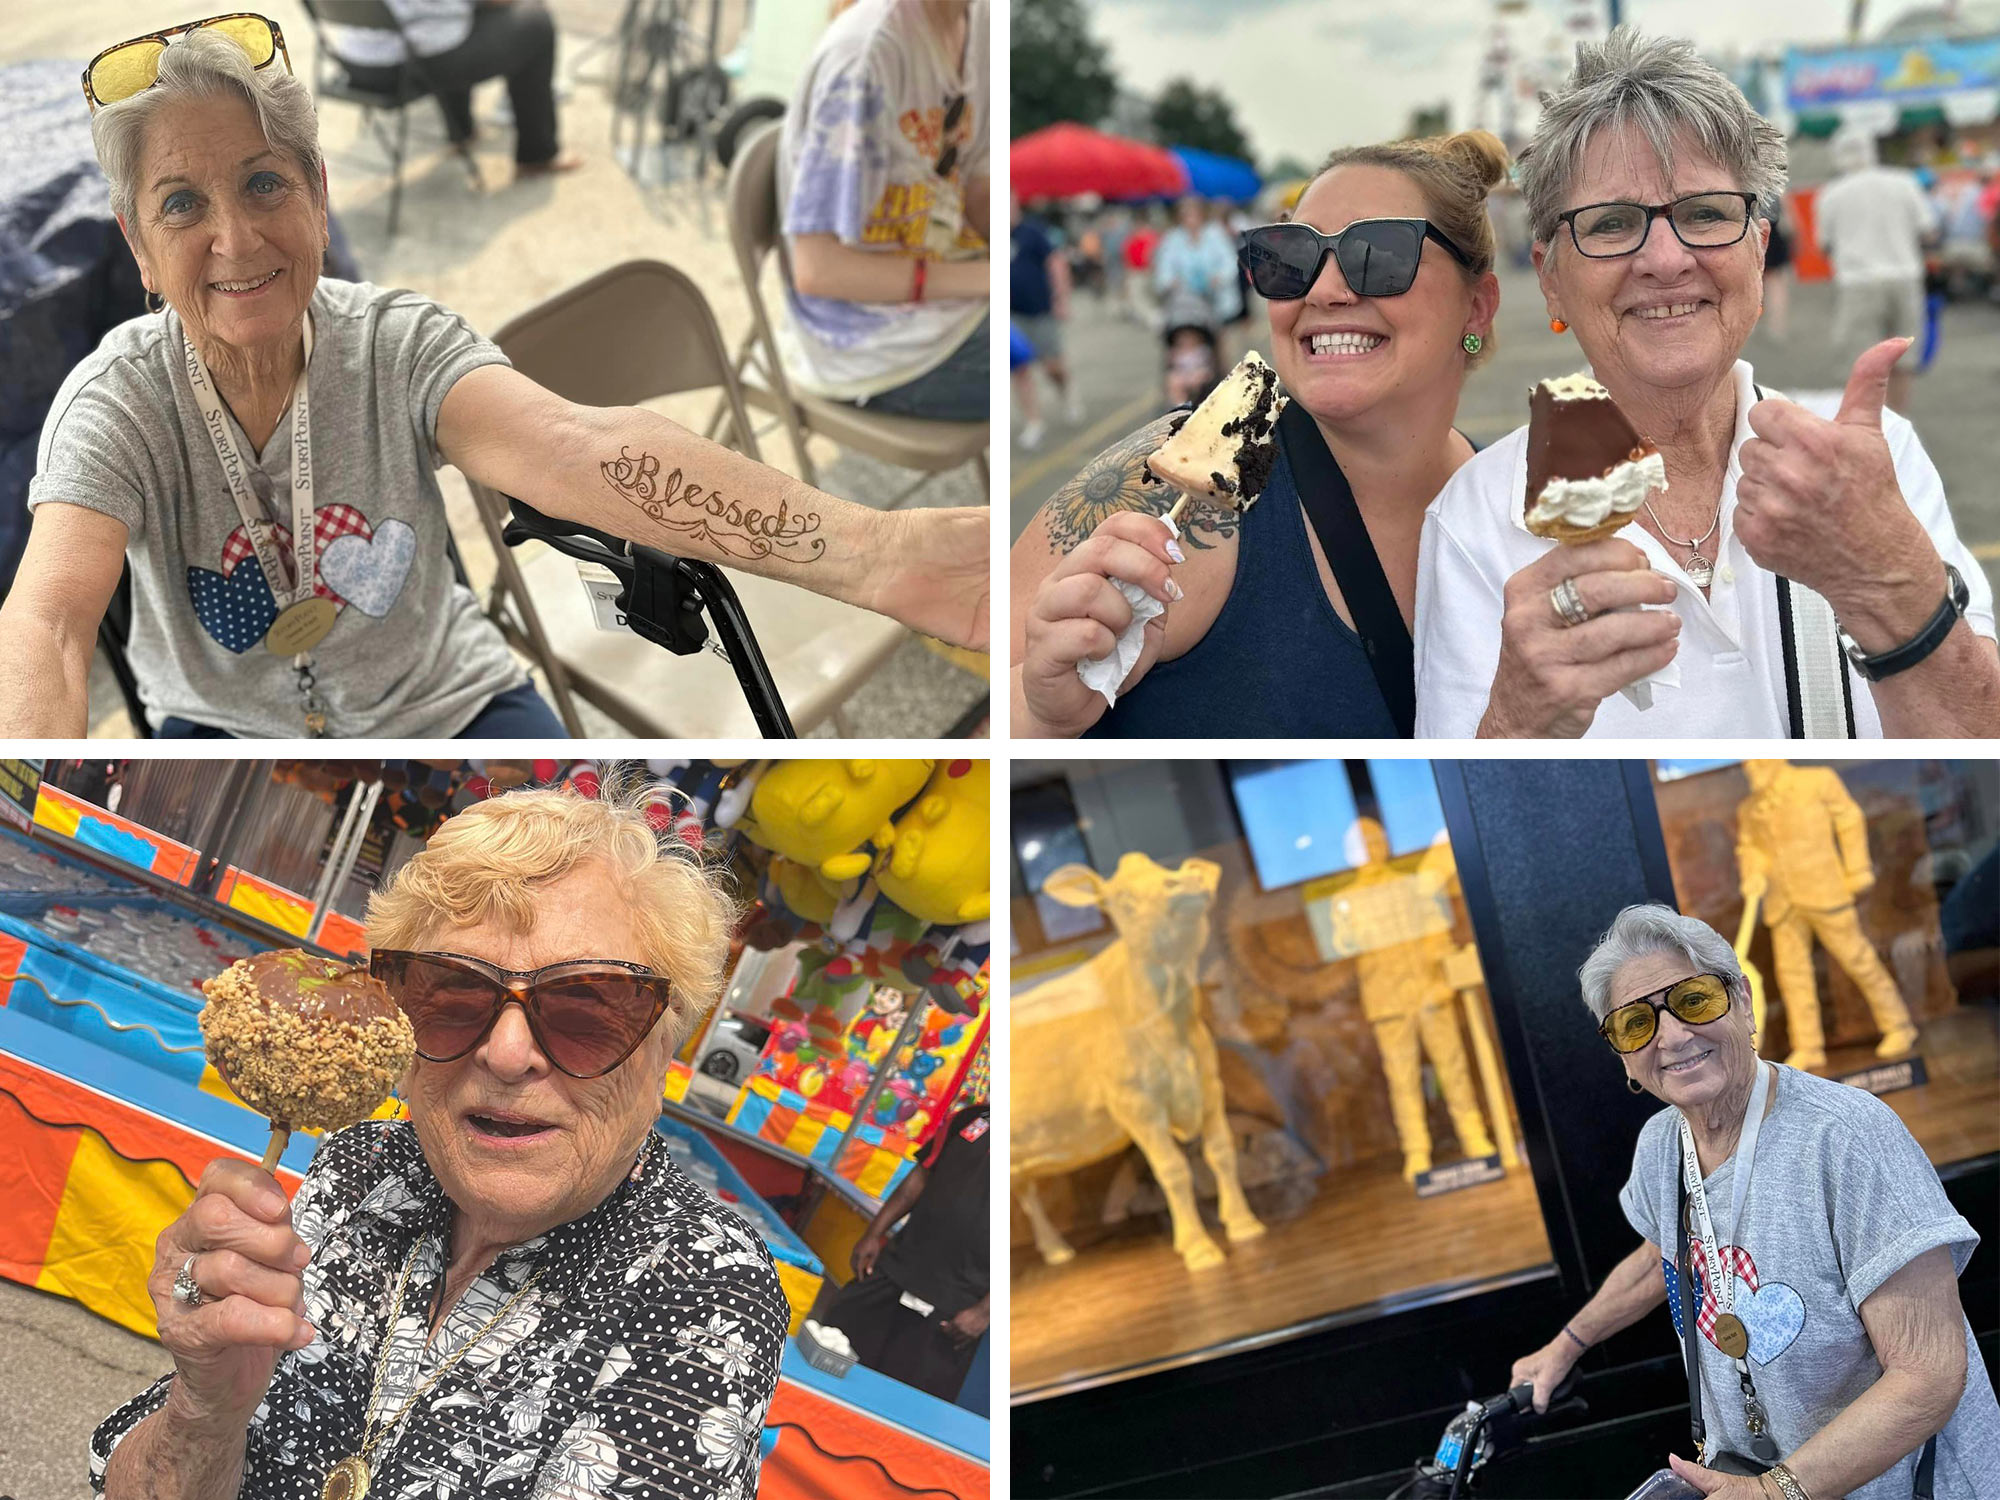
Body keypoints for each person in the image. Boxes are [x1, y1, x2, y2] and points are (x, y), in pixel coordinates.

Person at [1, 19, 987, 738]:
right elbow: (46, 624)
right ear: (135, 244)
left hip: (449, 700)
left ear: (317, 192)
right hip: (222, 734)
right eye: (181, 204)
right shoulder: (117, 402)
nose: (234, 238)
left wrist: (877, 551)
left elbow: (580, 448)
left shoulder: (395, 343)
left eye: (265, 182)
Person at [91, 784, 790, 1499]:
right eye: (453, 997)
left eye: (588, 1005)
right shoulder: (363, 1166)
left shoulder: (703, 1285)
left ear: (667, 1038)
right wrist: (208, 1409)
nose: (508, 1053)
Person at [1414, 28, 1998, 740]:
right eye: (1610, 223)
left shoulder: (1874, 461)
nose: (1666, 258)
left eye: (1705, 213)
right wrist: (1517, 718)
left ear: (1757, 246)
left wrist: (1894, 588)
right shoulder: (1476, 523)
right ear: (1550, 277)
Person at [1010, 131, 1506, 737]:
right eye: (1291, 257)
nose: (1322, 291)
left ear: (1477, 307)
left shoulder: (1511, 509)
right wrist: (1042, 713)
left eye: (1378, 254)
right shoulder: (1164, 485)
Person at [1507, 903, 2000, 1500]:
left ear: (1742, 1000)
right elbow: (1662, 1257)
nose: (1672, 1036)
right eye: (1636, 1024)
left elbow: (1929, 1376)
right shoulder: (1664, 1143)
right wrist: (1566, 1346)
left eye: (1693, 1001)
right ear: (1623, 1056)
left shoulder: (1846, 1138)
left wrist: (1775, 1492)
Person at [776, 0, 990, 423]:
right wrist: (988, 278)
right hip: (867, 344)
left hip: (949, 302)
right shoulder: (864, 57)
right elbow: (819, 270)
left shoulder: (982, 25)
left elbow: (973, 188)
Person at [815, 1098, 989, 1401]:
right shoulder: (969, 1119)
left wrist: (986, 1311)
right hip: (895, 1270)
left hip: (954, 1306)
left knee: (901, 1405)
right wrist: (874, 1233)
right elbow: (920, 1177)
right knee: (826, 1357)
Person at [318, 0, 580, 181]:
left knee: (456, 22)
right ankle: (537, 156)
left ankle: (462, 132)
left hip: (355, 61)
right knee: (537, 22)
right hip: (407, 65)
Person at [1814, 130, 1938, 414]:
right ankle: (1899, 418)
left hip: (1858, 282)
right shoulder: (1904, 182)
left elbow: (1825, 245)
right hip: (1906, 275)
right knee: (1904, 355)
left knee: (1862, 358)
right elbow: (1929, 232)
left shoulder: (1831, 194)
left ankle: (1871, 422)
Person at [1011, 193, 1081, 450]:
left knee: (1052, 366)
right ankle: (1034, 421)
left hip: (1040, 311)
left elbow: (1056, 262)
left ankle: (1067, 391)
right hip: (1011, 314)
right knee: (1019, 370)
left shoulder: (1032, 231)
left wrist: (1061, 298)